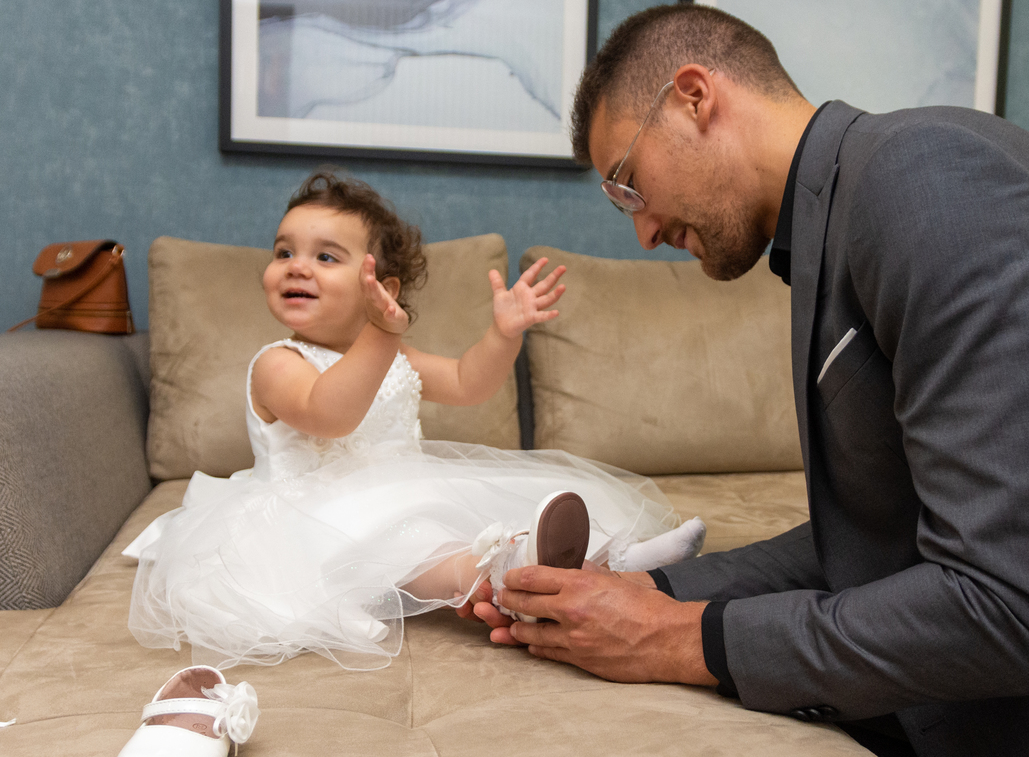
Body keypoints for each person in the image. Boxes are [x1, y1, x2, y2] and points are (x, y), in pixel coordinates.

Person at [465, 5, 1029, 756]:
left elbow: (1012, 610)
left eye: (628, 184)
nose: (643, 232)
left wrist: (679, 637)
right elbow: (876, 537)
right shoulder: (844, 212)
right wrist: (651, 591)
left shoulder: (932, 181)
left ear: (694, 97)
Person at [125, 168, 706, 670]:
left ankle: (612, 563)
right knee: (426, 544)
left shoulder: (396, 356)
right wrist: (382, 335)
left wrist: (502, 335)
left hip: (397, 494)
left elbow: (469, 384)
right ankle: (505, 576)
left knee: (480, 509)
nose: (296, 267)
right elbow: (331, 414)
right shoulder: (278, 364)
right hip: (310, 517)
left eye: (325, 256)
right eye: (284, 252)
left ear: (382, 288)